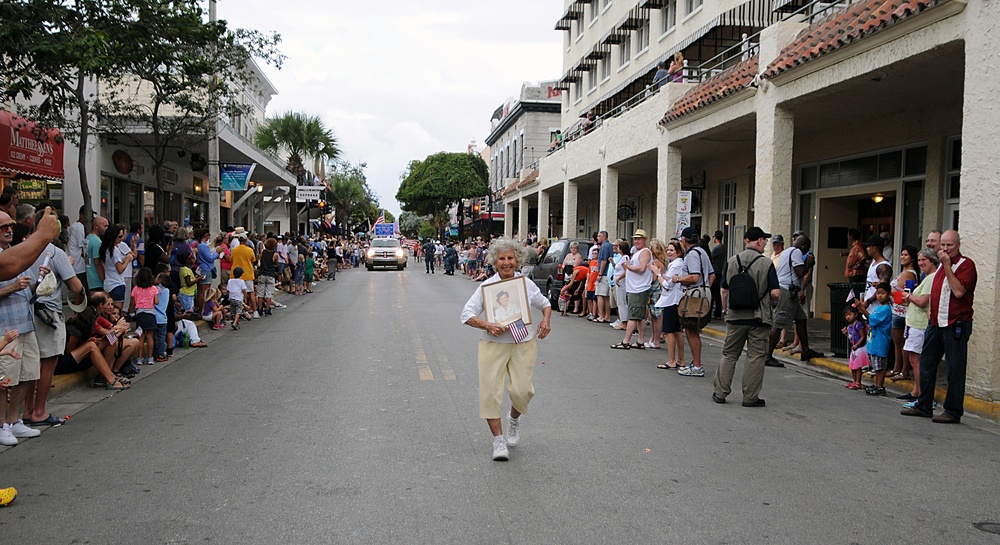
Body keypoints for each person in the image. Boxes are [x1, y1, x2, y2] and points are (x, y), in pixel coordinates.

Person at [460, 237, 552, 461]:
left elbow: (546, 304)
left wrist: (545, 321)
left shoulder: (526, 284)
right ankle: (498, 441)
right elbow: (466, 314)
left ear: (517, 259)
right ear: (494, 261)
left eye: (510, 257)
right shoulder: (487, 286)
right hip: (493, 345)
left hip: (523, 343)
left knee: (523, 391)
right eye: (501, 258)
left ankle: (513, 419)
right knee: (490, 393)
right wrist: (486, 324)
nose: (506, 262)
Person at [901, 230, 976, 424]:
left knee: (954, 369)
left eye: (949, 245)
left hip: (956, 323)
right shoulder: (941, 267)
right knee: (926, 364)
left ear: (958, 245)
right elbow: (937, 293)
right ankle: (924, 405)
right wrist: (931, 314)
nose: (945, 249)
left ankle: (952, 411)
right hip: (936, 323)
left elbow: (958, 291)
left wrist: (948, 266)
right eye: (942, 245)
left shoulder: (965, 265)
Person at [23, 213, 85, 426]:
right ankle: (39, 411)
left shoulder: (23, 248)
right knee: (47, 364)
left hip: (27, 312)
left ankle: (27, 410)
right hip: (49, 313)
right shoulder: (54, 252)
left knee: (31, 364)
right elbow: (76, 286)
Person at [711, 227, 780, 406]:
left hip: (736, 316)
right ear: (758, 241)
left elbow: (724, 290)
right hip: (759, 317)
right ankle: (750, 397)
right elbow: (775, 292)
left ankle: (720, 393)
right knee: (756, 357)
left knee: (729, 354)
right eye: (764, 240)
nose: (765, 243)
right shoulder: (766, 264)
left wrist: (726, 311)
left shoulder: (733, 261)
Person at [898, 247, 939, 405]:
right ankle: (918, 393)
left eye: (924, 260)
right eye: (920, 260)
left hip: (920, 324)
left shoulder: (931, 278)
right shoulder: (927, 277)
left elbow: (923, 302)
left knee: (916, 360)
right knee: (915, 359)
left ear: (932, 261)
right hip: (914, 323)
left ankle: (923, 397)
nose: (921, 263)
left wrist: (908, 295)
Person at [675, 227, 715, 376]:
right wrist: (706, 291)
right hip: (703, 292)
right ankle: (696, 364)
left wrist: (677, 278)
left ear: (684, 240)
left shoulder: (692, 254)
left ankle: (697, 366)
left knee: (690, 329)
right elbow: (712, 276)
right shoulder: (703, 252)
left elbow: (694, 277)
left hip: (694, 294)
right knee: (693, 329)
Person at [611, 230, 652, 350]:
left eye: (639, 239)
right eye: (635, 239)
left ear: (645, 240)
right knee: (641, 316)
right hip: (636, 288)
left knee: (633, 316)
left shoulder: (645, 252)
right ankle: (640, 341)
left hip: (638, 288)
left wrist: (629, 267)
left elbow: (642, 268)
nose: (637, 241)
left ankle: (626, 341)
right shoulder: (638, 252)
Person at [651, 240, 687, 369]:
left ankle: (672, 360)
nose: (669, 252)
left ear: (678, 252)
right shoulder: (676, 264)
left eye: (672, 250)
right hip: (675, 299)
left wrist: (658, 273)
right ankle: (680, 360)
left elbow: (667, 285)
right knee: (677, 331)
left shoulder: (676, 264)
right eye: (668, 250)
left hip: (672, 300)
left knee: (669, 331)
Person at [887, 246, 919, 380]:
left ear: (912, 257)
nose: (902, 257)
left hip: (903, 312)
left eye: (906, 255)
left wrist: (891, 293)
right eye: (901, 254)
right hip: (896, 310)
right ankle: (896, 368)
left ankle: (904, 370)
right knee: (896, 342)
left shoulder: (909, 273)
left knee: (903, 343)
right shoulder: (903, 272)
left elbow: (905, 295)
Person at [857, 283, 892, 396]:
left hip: (880, 342)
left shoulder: (886, 309)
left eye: (883, 293)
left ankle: (880, 386)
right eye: (878, 293)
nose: (880, 296)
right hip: (874, 342)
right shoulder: (879, 308)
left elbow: (872, 319)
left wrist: (863, 308)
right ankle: (877, 384)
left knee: (880, 366)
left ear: (888, 294)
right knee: (876, 365)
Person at [129, 267, 159, 365]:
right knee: (150, 336)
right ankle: (150, 358)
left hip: (140, 314)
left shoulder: (135, 289)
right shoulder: (153, 289)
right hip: (150, 314)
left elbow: (133, 303)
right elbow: (156, 302)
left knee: (141, 337)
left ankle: (139, 358)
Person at [230, 231, 258, 316]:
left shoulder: (234, 250)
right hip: (248, 273)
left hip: (235, 275)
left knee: (238, 294)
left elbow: (231, 260)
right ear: (245, 240)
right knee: (251, 293)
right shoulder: (249, 250)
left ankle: (240, 311)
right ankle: (255, 311)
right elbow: (253, 260)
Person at [842, 304, 868, 390]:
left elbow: (862, 336)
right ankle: (854, 381)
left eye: (850, 314)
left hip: (858, 348)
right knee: (852, 366)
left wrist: (857, 345)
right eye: (846, 315)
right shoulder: (849, 326)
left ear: (856, 314)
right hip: (854, 348)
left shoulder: (858, 324)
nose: (848, 317)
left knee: (857, 366)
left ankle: (858, 382)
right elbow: (851, 337)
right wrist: (846, 334)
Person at [594, 230, 614, 323]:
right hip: (608, 274)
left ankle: (601, 316)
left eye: (599, 236)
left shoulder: (604, 246)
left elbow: (604, 261)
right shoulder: (610, 245)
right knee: (606, 296)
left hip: (604, 274)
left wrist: (600, 274)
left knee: (600, 295)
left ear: (604, 237)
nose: (597, 238)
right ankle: (607, 316)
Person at [85, 215, 109, 292]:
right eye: (105, 226)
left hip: (90, 278)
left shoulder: (87, 238)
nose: (107, 229)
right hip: (97, 280)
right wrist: (104, 280)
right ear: (96, 226)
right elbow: (97, 263)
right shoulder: (97, 242)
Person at [68, 206, 88, 289]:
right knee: (81, 290)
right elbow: (84, 247)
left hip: (75, 263)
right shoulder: (79, 228)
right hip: (79, 265)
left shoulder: (74, 226)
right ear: (81, 215)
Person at [611, 239, 629, 330]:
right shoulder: (622, 258)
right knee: (620, 301)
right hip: (619, 281)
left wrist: (619, 278)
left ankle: (624, 321)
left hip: (621, 282)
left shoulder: (625, 258)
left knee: (622, 302)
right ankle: (623, 320)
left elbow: (626, 271)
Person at [710, 230, 726, 319]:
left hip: (715, 272)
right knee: (717, 294)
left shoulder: (717, 249)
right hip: (719, 272)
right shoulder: (723, 248)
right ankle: (718, 312)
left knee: (713, 293)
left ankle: (714, 312)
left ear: (715, 238)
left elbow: (711, 258)